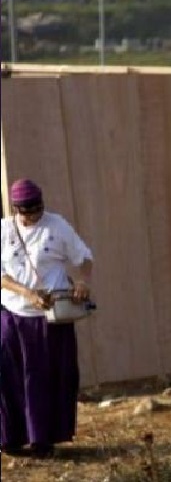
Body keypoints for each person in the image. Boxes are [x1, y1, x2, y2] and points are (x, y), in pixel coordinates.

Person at [1, 179, 94, 457]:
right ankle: (11, 439)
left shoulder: (57, 225)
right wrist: (27, 293)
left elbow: (84, 258)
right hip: (13, 315)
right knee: (10, 378)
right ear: (16, 209)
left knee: (45, 379)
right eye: (27, 211)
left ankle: (43, 441)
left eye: (38, 209)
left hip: (50, 318)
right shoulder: (5, 230)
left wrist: (82, 281)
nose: (33, 215)